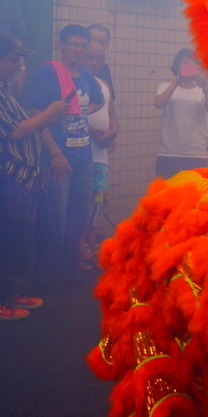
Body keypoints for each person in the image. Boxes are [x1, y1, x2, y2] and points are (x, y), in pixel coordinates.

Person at [0, 35, 67, 317]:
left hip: (21, 179)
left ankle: (10, 293)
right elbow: (16, 131)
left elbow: (25, 125)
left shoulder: (4, 88)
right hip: (7, 178)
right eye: (13, 59)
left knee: (19, 239)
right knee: (7, 239)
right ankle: (0, 300)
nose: (17, 65)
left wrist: (49, 117)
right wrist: (48, 112)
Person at [26, 25, 102, 286]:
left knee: (77, 220)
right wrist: (55, 152)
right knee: (54, 221)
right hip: (58, 158)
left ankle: (68, 274)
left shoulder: (86, 76)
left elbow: (99, 101)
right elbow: (35, 112)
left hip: (84, 160)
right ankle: (46, 277)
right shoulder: (49, 72)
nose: (79, 50)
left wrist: (81, 111)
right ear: (62, 44)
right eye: (74, 44)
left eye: (83, 45)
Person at [83, 39, 118, 266]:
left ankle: (89, 240)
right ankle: (79, 247)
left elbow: (112, 116)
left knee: (97, 200)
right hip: (81, 154)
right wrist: (89, 131)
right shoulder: (74, 81)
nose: (95, 62)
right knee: (80, 201)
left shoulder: (104, 83)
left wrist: (113, 133)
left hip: (101, 155)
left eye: (100, 58)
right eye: (91, 57)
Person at [154, 48, 208, 178]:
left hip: (196, 152)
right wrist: (177, 81)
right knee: (167, 194)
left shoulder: (201, 90)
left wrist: (205, 86)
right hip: (169, 151)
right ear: (177, 66)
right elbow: (159, 103)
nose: (188, 67)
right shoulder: (165, 86)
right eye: (184, 63)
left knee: (194, 194)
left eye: (192, 64)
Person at [86, 23, 118, 101]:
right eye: (93, 40)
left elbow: (108, 100)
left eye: (101, 42)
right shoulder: (75, 66)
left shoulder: (105, 68)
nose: (97, 44)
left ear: (107, 44)